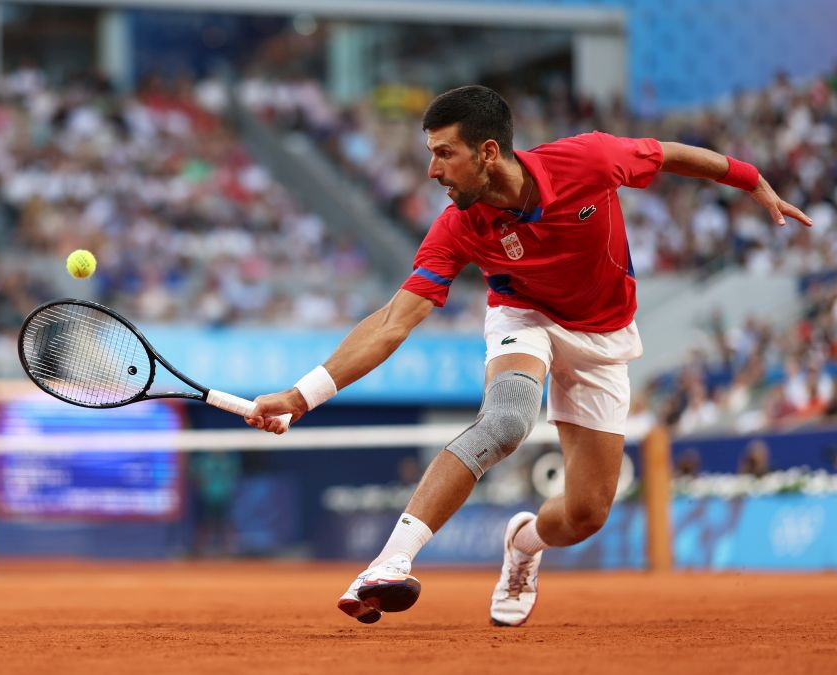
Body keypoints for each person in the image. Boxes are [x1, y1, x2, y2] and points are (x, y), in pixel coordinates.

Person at [245, 85, 810, 627]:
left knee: (587, 514)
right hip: (525, 317)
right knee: (506, 422)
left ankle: (523, 544)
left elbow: (669, 156)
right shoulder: (458, 226)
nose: (432, 170)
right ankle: (387, 563)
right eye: (430, 154)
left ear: (489, 152)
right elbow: (393, 322)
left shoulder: (587, 159)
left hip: (604, 336)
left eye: (445, 153)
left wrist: (752, 179)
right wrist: (300, 396)